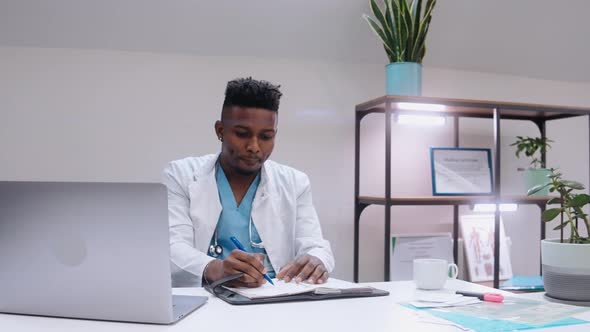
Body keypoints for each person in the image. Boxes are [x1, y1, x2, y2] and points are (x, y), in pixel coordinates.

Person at [163, 77, 334, 288]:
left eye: (265, 136)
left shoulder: (295, 182)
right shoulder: (181, 174)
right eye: (242, 134)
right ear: (220, 130)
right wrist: (216, 268)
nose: (254, 146)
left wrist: (317, 260)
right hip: (208, 296)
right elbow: (172, 247)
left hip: (275, 297)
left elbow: (315, 245)